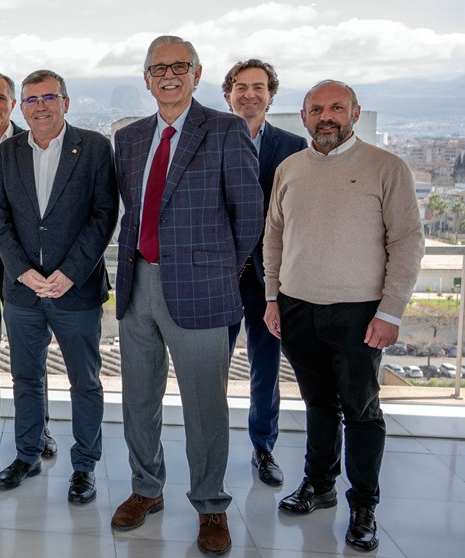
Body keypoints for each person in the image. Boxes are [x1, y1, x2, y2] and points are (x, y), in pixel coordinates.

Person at [111, 36, 262, 554]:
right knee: (139, 400)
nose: (168, 75)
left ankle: (211, 504)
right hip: (136, 286)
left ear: (197, 75)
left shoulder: (224, 130)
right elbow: (131, 211)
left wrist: (218, 269)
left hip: (201, 289)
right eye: (158, 68)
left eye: (180, 66)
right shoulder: (128, 139)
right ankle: (146, 489)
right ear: (146, 78)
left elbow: (249, 216)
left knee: (204, 406)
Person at [264, 80, 424, 552]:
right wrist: (273, 297)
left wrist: (391, 311)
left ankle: (365, 505)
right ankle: (320, 484)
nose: (326, 116)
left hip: (360, 313)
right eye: (317, 109)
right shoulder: (289, 168)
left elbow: (407, 242)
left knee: (361, 411)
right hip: (296, 307)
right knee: (318, 406)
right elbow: (274, 235)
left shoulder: (386, 167)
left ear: (355, 112)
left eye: (337, 107)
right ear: (304, 115)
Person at [0, 70, 118, 508]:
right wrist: (22, 271)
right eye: (31, 100)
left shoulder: (96, 147)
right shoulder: (7, 153)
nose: (40, 106)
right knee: (26, 377)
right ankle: (27, 454)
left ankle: (84, 466)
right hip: (23, 291)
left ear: (66, 101)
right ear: (20, 107)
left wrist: (71, 272)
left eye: (49, 97)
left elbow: (104, 216)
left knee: (85, 382)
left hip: (75, 291)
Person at [221, 59, 308, 487]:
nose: (249, 94)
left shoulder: (294, 146)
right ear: (227, 94)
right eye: (241, 87)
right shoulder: (207, 138)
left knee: (265, 366)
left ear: (271, 95)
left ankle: (264, 447)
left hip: (271, 279)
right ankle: (211, 446)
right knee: (212, 366)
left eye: (258, 87)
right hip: (216, 276)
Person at [0, 71, 57, 457]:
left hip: (25, 262)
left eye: (0, 98)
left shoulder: (31, 141)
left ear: (13, 103)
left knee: (31, 347)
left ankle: (40, 425)